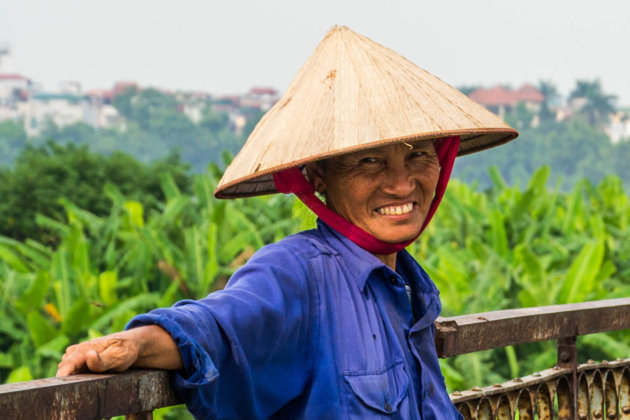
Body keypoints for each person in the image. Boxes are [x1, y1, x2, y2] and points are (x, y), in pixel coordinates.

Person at [57, 26, 518, 419]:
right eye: (370, 161)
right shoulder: (299, 272)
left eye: (418, 155)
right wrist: (136, 343)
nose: (401, 184)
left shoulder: (410, 288)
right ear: (318, 178)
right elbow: (219, 325)